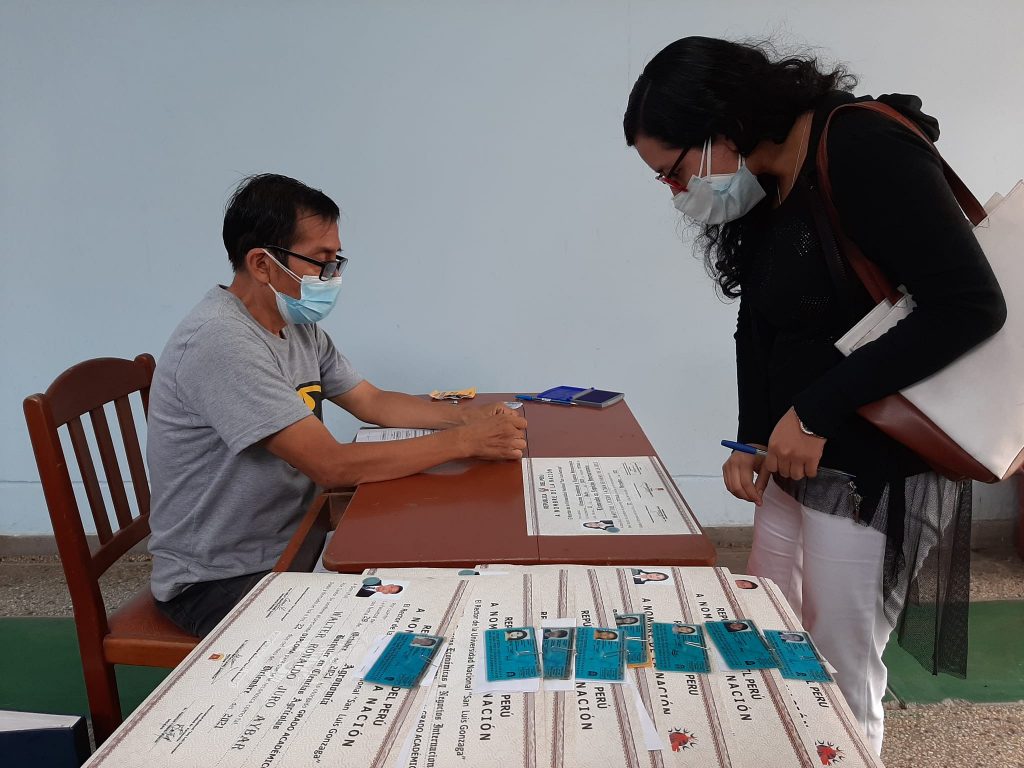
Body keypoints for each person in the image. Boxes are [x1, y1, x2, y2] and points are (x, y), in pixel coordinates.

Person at [623, 37, 1005, 753]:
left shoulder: (860, 146)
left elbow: (969, 306)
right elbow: (759, 326)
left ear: (723, 126)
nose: (676, 192)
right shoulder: (768, 181)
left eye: (674, 171)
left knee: (838, 670)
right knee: (774, 637)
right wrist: (751, 435)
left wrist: (812, 411)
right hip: (797, 459)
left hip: (875, 468)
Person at [148, 173, 527, 637]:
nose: (332, 277)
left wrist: (466, 416)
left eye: (336, 261)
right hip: (221, 579)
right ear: (263, 264)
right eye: (321, 261)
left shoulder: (296, 326)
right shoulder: (222, 342)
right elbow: (331, 466)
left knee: (438, 580)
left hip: (296, 541)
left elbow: (372, 401)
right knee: (399, 628)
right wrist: (465, 441)